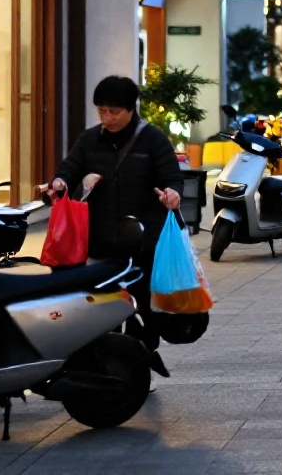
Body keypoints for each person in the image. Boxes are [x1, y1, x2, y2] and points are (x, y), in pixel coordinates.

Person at [46, 76, 182, 369]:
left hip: (142, 242)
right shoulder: (89, 139)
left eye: (113, 112)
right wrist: (57, 184)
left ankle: (139, 368)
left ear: (131, 108)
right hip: (100, 241)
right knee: (101, 307)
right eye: (101, 111)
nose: (106, 118)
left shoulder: (152, 139)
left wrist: (172, 194)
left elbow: (171, 177)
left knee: (140, 308)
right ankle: (106, 366)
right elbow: (68, 170)